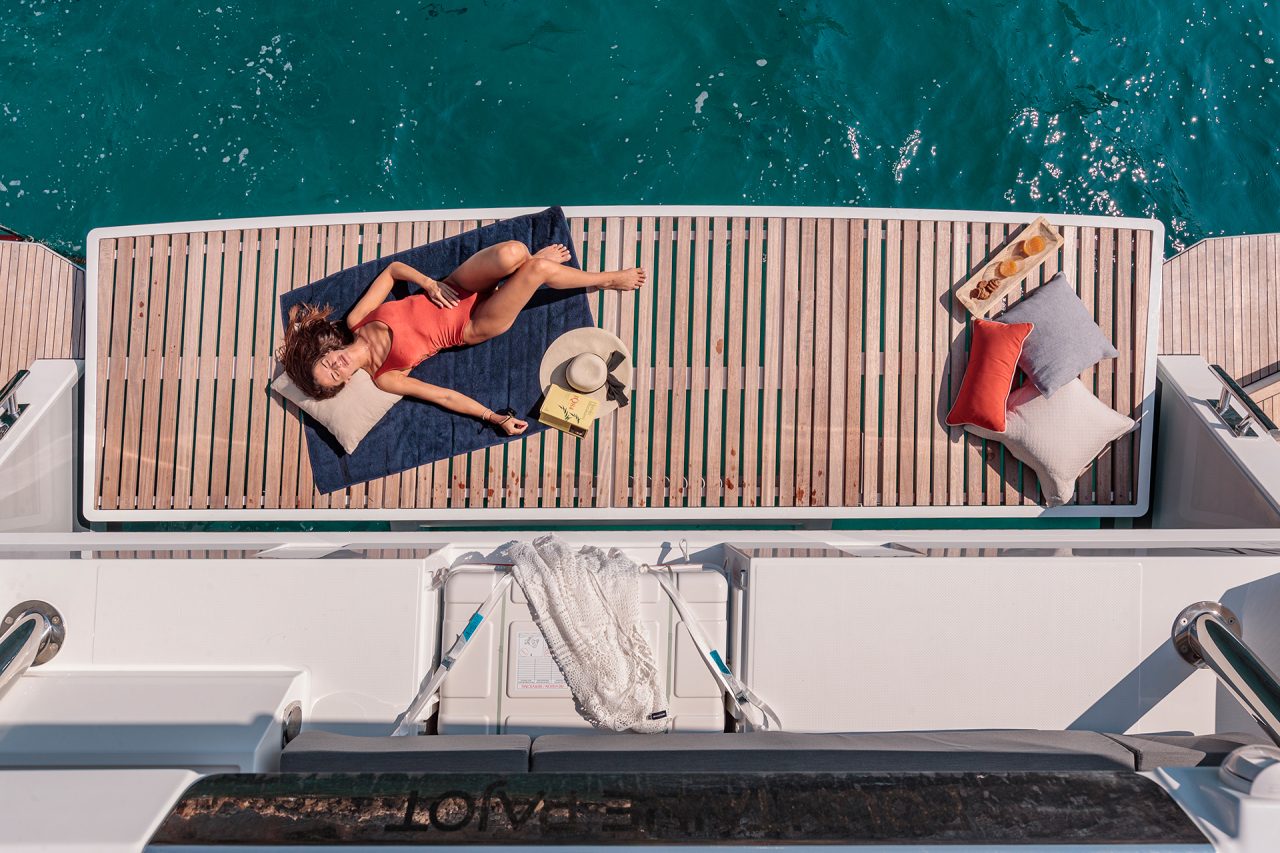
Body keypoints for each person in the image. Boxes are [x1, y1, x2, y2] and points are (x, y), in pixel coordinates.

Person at [277, 240, 645, 434]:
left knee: (513, 252)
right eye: (335, 375)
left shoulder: (357, 319)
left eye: (327, 362)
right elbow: (443, 396)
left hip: (454, 286)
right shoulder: (385, 377)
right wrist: (493, 417)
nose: (336, 365)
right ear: (344, 383)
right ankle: (607, 279)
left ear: (327, 351)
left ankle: (526, 271)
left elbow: (391, 272)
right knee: (534, 269)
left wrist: (427, 283)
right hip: (473, 325)